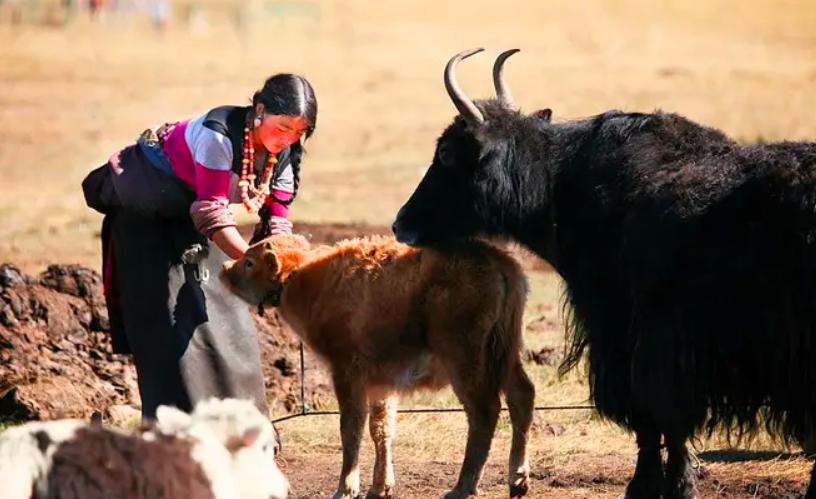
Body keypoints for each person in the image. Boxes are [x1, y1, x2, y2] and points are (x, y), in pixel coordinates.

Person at [82, 74, 317, 420]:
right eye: (282, 128)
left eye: (300, 132)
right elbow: (213, 212)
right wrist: (257, 265)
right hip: (146, 221)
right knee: (170, 328)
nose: (289, 139)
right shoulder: (217, 135)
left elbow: (277, 225)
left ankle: (243, 431)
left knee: (227, 318)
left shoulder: (283, 156)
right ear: (259, 110)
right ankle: (177, 436)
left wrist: (284, 268)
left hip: (194, 219)